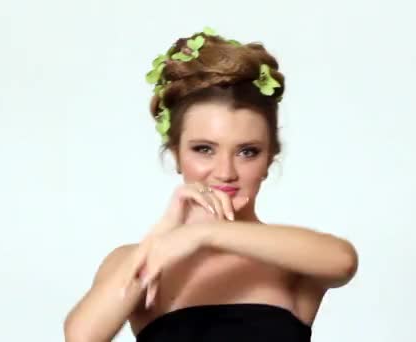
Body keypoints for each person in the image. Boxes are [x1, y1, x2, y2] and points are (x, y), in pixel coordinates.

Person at [64, 27, 359, 342]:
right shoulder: (135, 261)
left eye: (248, 151)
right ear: (176, 154)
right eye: (204, 149)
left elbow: (343, 261)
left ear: (270, 159)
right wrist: (164, 233)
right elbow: (82, 337)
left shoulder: (291, 259)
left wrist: (205, 233)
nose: (226, 172)